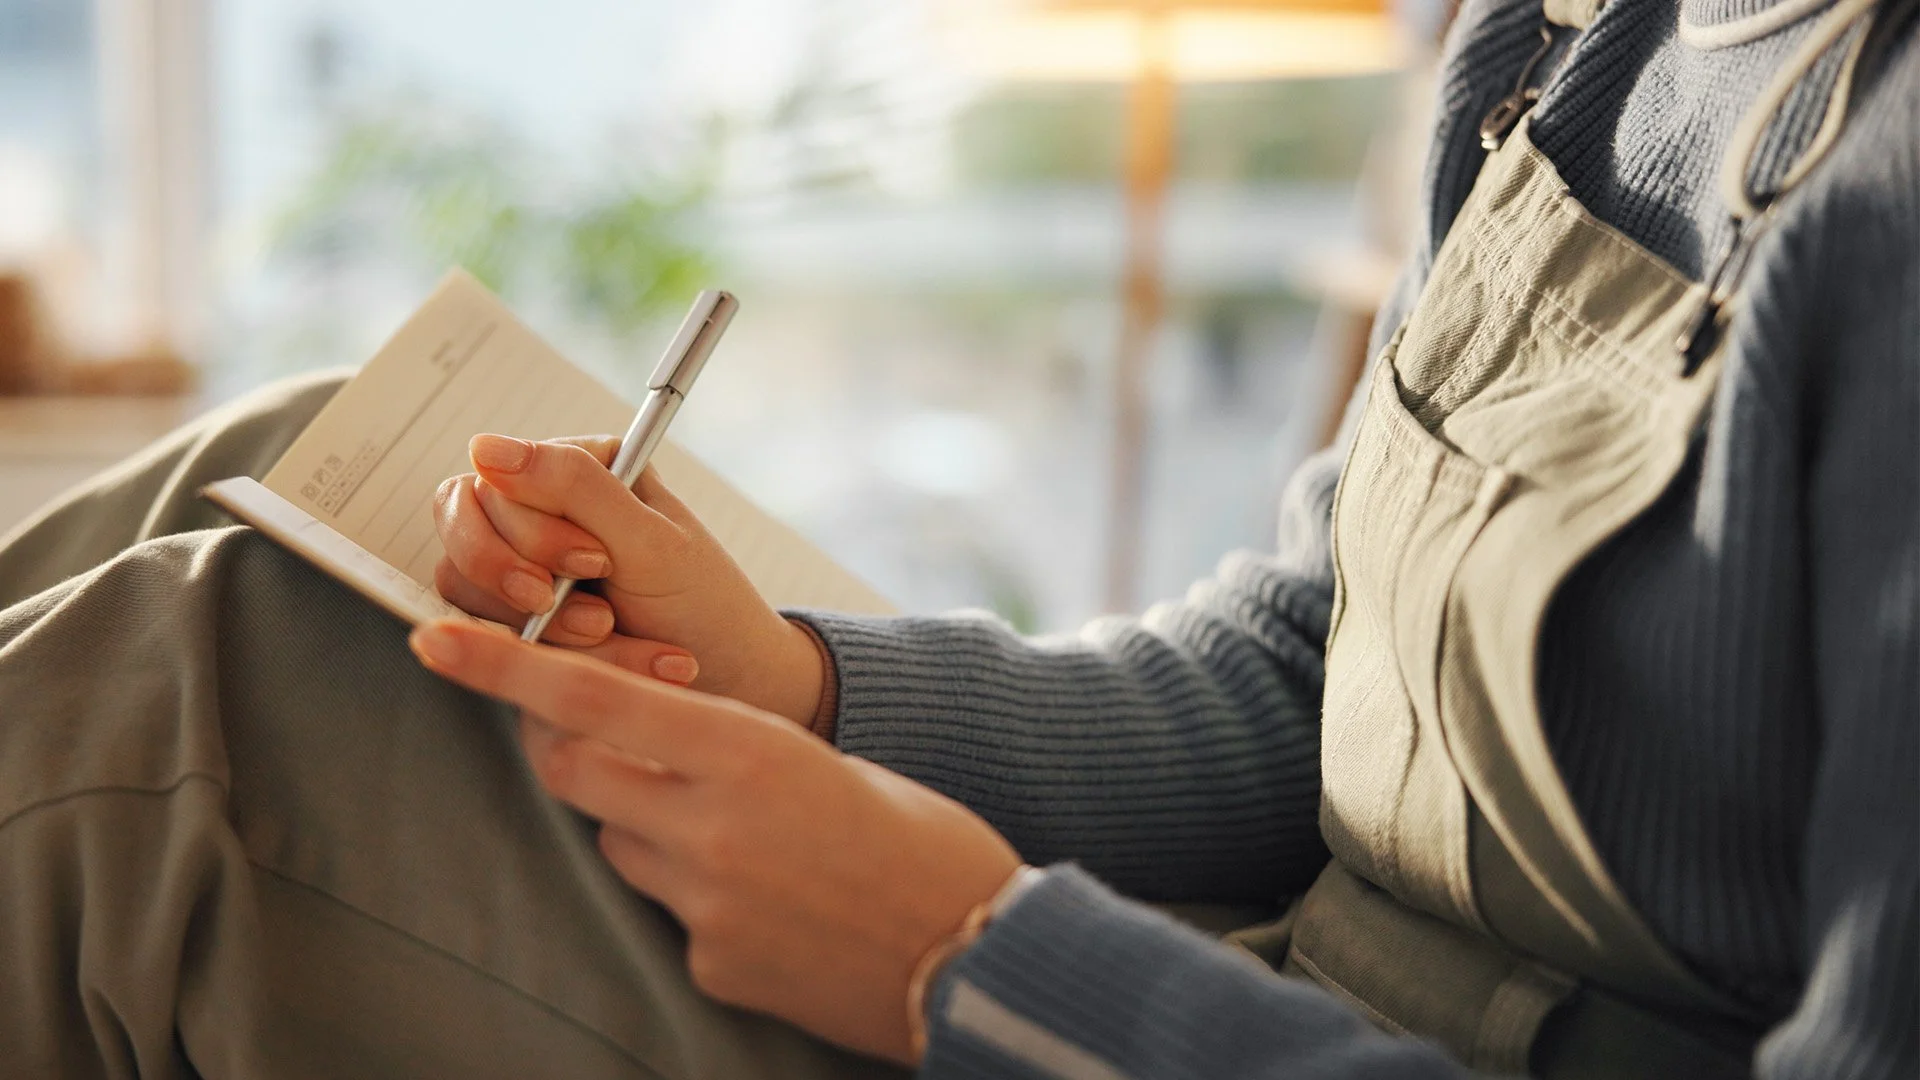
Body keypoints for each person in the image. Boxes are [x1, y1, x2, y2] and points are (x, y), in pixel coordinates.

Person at [1, 0, 1914, 1076]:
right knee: (267, 465)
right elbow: (1315, 674)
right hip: (1239, 974)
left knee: (190, 694)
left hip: (1140, 1034)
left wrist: (965, 959)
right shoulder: (1586, 35)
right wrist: (801, 681)